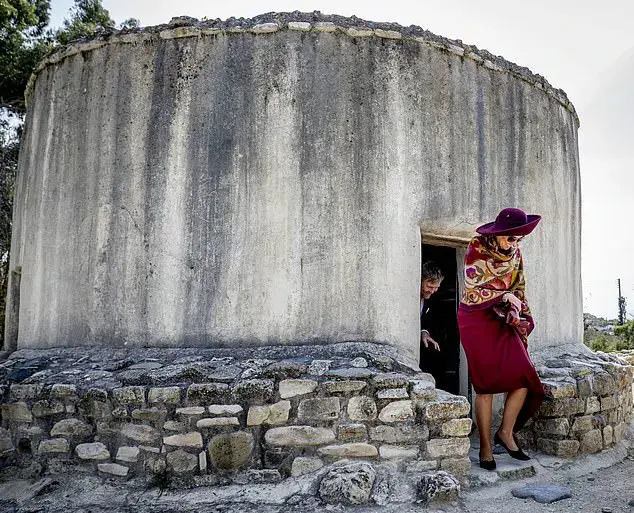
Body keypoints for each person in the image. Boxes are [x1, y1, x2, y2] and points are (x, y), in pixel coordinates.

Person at [457, 207, 545, 471]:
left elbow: (519, 287)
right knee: (486, 386)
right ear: (498, 235)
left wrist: (521, 312)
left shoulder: (516, 254)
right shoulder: (476, 248)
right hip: (476, 318)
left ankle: (505, 433)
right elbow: (473, 286)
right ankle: (485, 447)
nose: (514, 244)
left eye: (519, 239)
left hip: (503, 317)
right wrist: (504, 296)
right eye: (510, 238)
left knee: (524, 378)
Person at [419, 261, 444, 382]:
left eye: (436, 288)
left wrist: (424, 332)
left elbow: (427, 323)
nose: (432, 291)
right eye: (429, 286)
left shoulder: (430, 301)